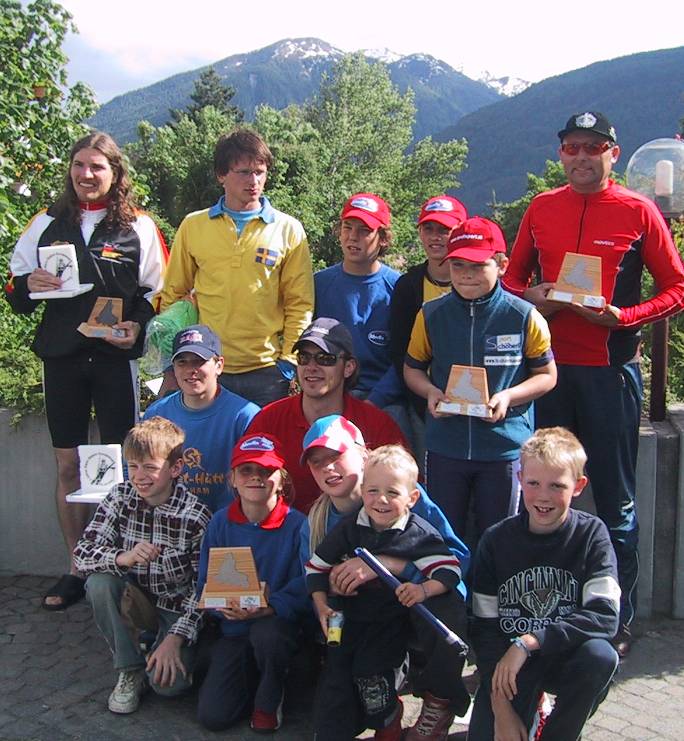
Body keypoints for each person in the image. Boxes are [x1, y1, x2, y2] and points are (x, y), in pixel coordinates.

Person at [502, 111, 684, 654]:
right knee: (539, 493)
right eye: (572, 147)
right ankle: (540, 610)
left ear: (613, 154)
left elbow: (676, 288)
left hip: (610, 375)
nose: (581, 156)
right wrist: (533, 298)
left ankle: (615, 621)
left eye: (593, 147)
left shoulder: (638, 210)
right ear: (561, 154)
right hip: (547, 375)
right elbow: (509, 280)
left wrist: (624, 317)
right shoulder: (541, 207)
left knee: (615, 501)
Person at [5, 131, 167, 611]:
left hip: (115, 361)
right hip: (63, 359)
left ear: (115, 173)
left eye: (97, 166)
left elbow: (159, 292)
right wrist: (28, 285)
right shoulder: (46, 221)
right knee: (68, 466)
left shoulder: (139, 225)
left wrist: (137, 327)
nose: (86, 174)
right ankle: (78, 566)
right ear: (70, 170)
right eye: (79, 165)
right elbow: (13, 292)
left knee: (127, 465)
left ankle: (126, 565)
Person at [300, 415, 470, 740]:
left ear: (363, 455)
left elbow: (455, 564)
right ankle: (364, 706)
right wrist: (327, 595)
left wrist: (392, 567)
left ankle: (434, 696)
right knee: (337, 700)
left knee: (445, 609)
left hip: (402, 612)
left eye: (336, 456)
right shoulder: (320, 523)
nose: (328, 468)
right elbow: (312, 575)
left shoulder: (406, 497)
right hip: (350, 618)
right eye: (316, 462)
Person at [404, 217, 556, 543]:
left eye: (477, 265)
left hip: (504, 448)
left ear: (501, 265)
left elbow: (547, 375)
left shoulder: (524, 315)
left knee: (500, 539)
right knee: (444, 539)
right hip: (446, 445)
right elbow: (412, 369)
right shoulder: (430, 314)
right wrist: (430, 391)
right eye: (457, 265)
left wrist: (508, 397)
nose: (466, 274)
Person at [468, 427, 621, 741]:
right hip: (510, 667)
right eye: (533, 483)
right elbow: (483, 629)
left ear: (578, 486)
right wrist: (501, 708)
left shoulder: (592, 535)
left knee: (601, 656)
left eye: (557, 486)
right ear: (519, 479)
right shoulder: (495, 540)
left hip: (564, 655)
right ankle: (527, 710)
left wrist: (529, 641)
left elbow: (605, 616)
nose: (543, 496)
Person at [161, 127, 314, 407]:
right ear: (221, 175)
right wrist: (176, 362)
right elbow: (173, 295)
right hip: (206, 364)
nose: (254, 181)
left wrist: (289, 363)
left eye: (260, 172)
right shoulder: (193, 226)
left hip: (267, 371)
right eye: (243, 172)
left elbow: (300, 302)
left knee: (262, 438)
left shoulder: (288, 229)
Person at [73, 417, 211, 715]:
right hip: (135, 599)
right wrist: (122, 557)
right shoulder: (119, 497)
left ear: (175, 468)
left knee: (169, 687)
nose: (139, 476)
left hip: (176, 607)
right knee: (99, 583)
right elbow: (81, 555)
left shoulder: (195, 516)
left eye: (150, 467)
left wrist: (175, 637)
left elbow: (205, 589)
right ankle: (130, 668)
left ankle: (174, 646)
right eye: (133, 466)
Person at [195, 433, 307, 733]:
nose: (256, 477)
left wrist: (271, 606)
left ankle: (270, 697)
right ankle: (253, 682)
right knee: (213, 717)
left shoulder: (298, 525)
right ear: (232, 479)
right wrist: (222, 607)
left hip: (278, 630)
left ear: (281, 480)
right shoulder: (220, 523)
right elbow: (204, 583)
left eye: (266, 470)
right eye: (246, 470)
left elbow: (307, 585)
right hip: (234, 632)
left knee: (268, 635)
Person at [247, 317, 407, 513]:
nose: (311, 367)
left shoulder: (377, 424)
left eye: (325, 359)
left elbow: (406, 489)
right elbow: (245, 486)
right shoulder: (268, 420)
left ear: (348, 367)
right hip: (286, 528)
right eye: (304, 358)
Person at [144, 324, 259, 512]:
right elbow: (137, 470)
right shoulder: (156, 415)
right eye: (182, 362)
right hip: (170, 520)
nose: (191, 370)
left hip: (228, 522)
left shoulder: (246, 416)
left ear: (219, 365)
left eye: (199, 361)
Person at [389, 195, 468, 465]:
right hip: (425, 403)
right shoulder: (408, 286)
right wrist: (424, 398)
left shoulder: (478, 283)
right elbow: (401, 352)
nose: (436, 237)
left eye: (445, 230)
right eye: (428, 229)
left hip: (479, 404)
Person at [313, 193, 405, 417]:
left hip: (384, 399)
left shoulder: (399, 288)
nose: (353, 237)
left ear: (382, 238)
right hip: (327, 393)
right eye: (347, 227)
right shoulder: (318, 284)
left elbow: (405, 360)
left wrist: (374, 402)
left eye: (364, 230)